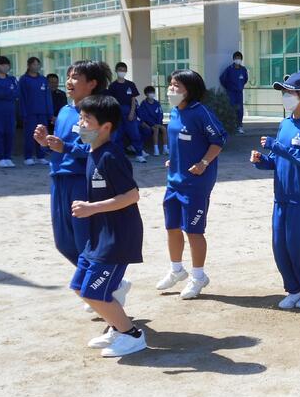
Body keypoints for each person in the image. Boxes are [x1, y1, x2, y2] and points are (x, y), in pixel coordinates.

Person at [34, 61, 131, 313]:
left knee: (85, 241)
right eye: (68, 76)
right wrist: (46, 142)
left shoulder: (96, 114)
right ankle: (110, 283)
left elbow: (92, 148)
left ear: (92, 84)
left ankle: (106, 285)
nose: (69, 81)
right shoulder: (65, 111)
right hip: (58, 180)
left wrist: (64, 147)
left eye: (75, 77)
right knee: (63, 243)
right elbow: (62, 146)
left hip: (81, 181)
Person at [69, 93, 146, 357]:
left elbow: (132, 195)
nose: (80, 124)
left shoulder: (111, 156)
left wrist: (92, 208)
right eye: (81, 118)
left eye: (86, 120)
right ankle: (116, 326)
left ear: (106, 127)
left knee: (94, 292)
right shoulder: (93, 151)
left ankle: (132, 336)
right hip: (98, 236)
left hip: (117, 237)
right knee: (80, 287)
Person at [251, 70, 300, 309]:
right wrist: (262, 161)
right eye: (283, 92)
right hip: (282, 195)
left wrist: (276, 147)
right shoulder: (285, 124)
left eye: (289, 92)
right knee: (280, 246)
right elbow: (277, 160)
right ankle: (294, 288)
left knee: (298, 246)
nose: (285, 96)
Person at [155, 70, 227, 300]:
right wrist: (174, 159)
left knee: (194, 231)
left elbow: (218, 140)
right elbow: (181, 141)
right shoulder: (176, 111)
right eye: (171, 84)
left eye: (177, 86)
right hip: (174, 182)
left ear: (190, 90)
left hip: (196, 184)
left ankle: (198, 277)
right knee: (172, 227)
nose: (171, 89)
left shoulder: (201, 113)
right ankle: (177, 270)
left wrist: (203, 163)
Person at [107, 62, 146, 163]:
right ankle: (120, 155)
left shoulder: (130, 84)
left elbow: (133, 100)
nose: (122, 72)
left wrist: (132, 112)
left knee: (135, 133)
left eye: (124, 70)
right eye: (120, 70)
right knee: (117, 135)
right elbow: (111, 101)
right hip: (117, 111)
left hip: (129, 111)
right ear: (116, 71)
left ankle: (139, 154)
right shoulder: (112, 86)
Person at [18, 56, 52, 166]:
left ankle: (41, 156)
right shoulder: (24, 79)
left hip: (42, 112)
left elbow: (47, 96)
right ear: (29, 66)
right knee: (30, 135)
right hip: (30, 112)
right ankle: (28, 157)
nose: (36, 66)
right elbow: (22, 97)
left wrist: (50, 112)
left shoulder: (43, 79)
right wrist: (23, 112)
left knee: (42, 134)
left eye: (38, 64)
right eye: (34, 64)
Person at [0, 55, 19, 168]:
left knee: (10, 134)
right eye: (2, 64)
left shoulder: (12, 79)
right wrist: (9, 92)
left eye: (7, 64)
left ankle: (8, 157)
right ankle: (0, 158)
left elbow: (16, 93)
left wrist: (6, 92)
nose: (5, 66)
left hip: (10, 111)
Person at [219, 50, 248, 134]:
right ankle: (231, 126)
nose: (238, 60)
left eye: (239, 58)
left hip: (239, 93)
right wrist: (228, 88)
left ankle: (239, 126)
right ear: (233, 59)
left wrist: (240, 86)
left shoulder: (243, 69)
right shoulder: (229, 69)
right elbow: (222, 79)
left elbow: (245, 79)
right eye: (236, 58)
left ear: (241, 59)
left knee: (240, 110)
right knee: (232, 109)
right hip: (231, 93)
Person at [138, 85, 168, 156]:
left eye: (153, 92)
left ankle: (165, 149)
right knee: (156, 130)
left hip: (158, 123)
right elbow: (144, 116)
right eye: (150, 93)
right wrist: (152, 124)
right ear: (146, 94)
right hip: (149, 125)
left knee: (164, 129)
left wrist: (158, 123)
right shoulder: (144, 104)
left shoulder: (157, 103)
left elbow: (160, 114)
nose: (152, 94)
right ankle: (156, 150)